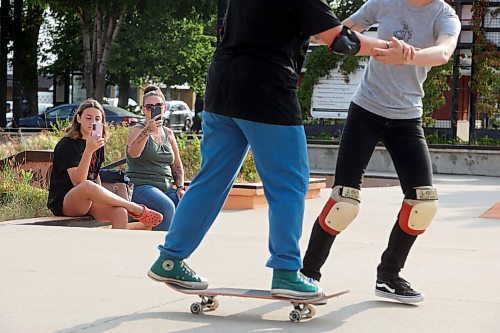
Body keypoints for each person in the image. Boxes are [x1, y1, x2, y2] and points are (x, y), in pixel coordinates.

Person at [147, 0, 409, 299]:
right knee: (289, 184)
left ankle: (170, 258)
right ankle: (286, 271)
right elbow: (341, 40)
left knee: (212, 180)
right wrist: (388, 48)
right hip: (266, 93)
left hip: (222, 88)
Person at [300, 0, 461, 303]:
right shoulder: (385, 2)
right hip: (366, 112)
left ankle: (388, 276)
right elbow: (344, 30)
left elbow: (442, 52)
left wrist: (407, 55)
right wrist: (306, 32)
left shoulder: (444, 15)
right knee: (343, 200)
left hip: (407, 119)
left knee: (422, 203)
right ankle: (307, 274)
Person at [47, 98, 163, 229]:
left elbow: (95, 175)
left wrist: (101, 196)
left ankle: (117, 247)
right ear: (78, 119)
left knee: (120, 212)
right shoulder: (67, 144)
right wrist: (89, 150)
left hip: (89, 198)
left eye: (97, 119)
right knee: (87, 185)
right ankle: (134, 208)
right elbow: (78, 182)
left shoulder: (97, 143)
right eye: (88, 118)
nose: (93, 122)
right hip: (66, 202)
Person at [126, 85, 186, 231]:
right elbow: (133, 153)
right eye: (149, 107)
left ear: (164, 108)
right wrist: (147, 130)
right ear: (144, 110)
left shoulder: (169, 133)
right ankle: (161, 248)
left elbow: (177, 165)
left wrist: (180, 187)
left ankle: (179, 247)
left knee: (189, 206)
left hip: (166, 188)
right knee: (166, 207)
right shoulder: (138, 130)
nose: (154, 109)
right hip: (141, 187)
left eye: (158, 105)